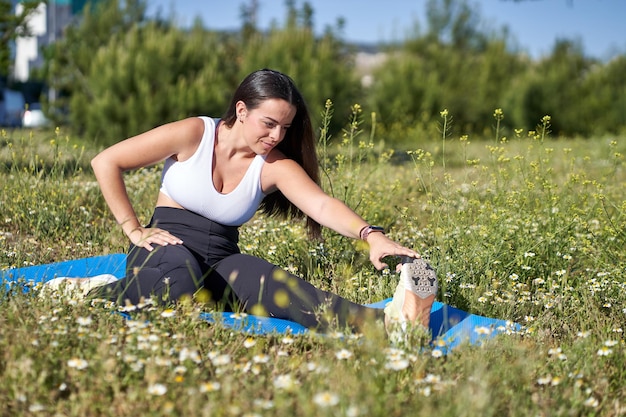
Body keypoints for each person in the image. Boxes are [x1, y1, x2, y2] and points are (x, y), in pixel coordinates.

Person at [83, 69, 437, 333]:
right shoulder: (195, 134)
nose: (276, 135)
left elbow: (322, 205)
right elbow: (107, 161)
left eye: (285, 127)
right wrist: (134, 230)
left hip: (221, 261)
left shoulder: (273, 165)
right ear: (241, 110)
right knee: (178, 283)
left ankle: (394, 325)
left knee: (287, 291)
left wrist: (371, 235)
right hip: (165, 248)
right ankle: (92, 292)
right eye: (269, 124)